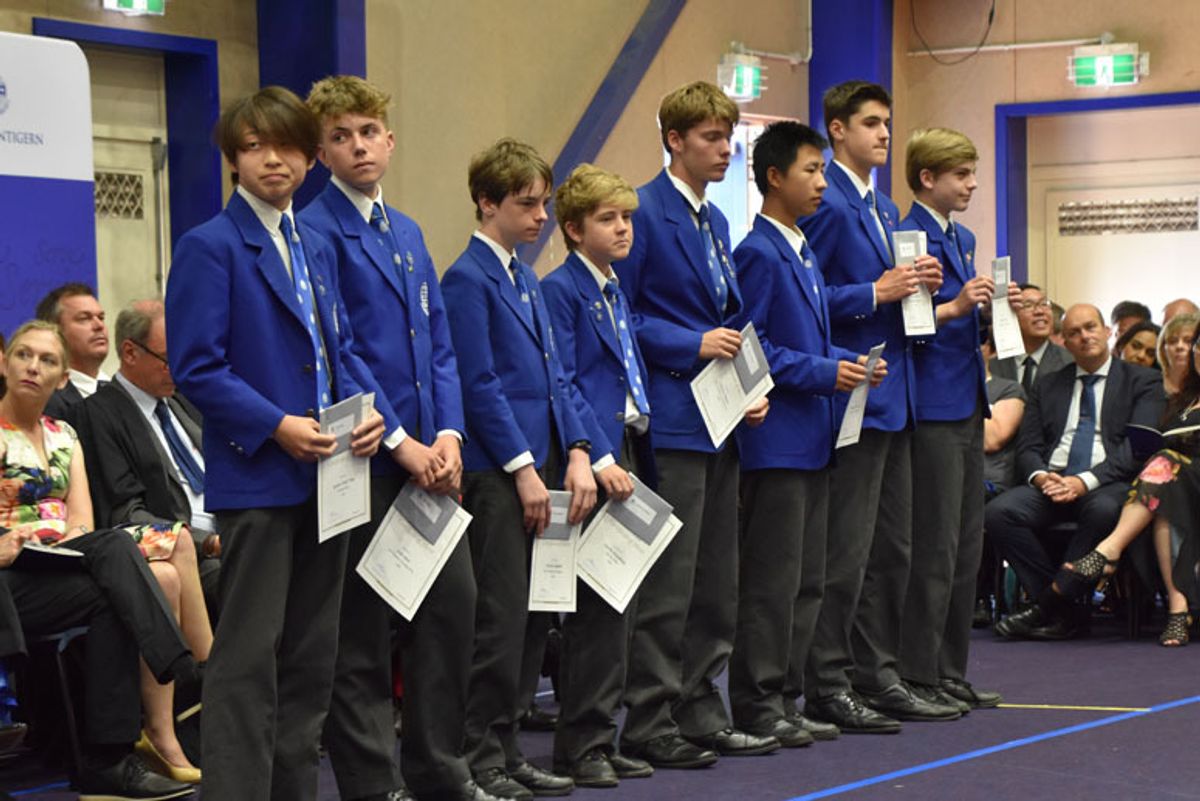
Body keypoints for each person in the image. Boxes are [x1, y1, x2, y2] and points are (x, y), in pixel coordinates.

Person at [164, 85, 389, 801]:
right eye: (255, 146)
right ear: (233, 158)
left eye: (288, 146)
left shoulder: (315, 242)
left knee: (312, 658)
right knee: (247, 658)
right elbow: (198, 368)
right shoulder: (209, 245)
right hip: (259, 475)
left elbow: (339, 349)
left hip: (332, 476)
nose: (273, 160)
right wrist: (275, 425)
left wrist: (371, 414)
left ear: (309, 158)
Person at [300, 75, 489, 801]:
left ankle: (439, 770)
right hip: (368, 461)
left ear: (390, 140)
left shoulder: (406, 230)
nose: (358, 146)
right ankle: (372, 784)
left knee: (452, 613)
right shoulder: (314, 230)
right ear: (321, 151)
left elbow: (438, 343)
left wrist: (449, 433)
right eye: (340, 136)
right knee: (363, 633)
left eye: (368, 132)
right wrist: (403, 443)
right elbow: (338, 351)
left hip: (432, 461)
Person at [611, 81, 772, 767]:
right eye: (711, 137)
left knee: (715, 581)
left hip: (719, 416)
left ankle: (701, 707)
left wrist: (750, 388)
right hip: (673, 419)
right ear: (674, 140)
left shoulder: (717, 222)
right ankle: (649, 717)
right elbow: (620, 315)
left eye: (729, 137)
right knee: (670, 583)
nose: (725, 149)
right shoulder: (642, 212)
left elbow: (731, 320)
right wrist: (692, 343)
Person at [441, 138, 596, 801]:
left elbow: (557, 378)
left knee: (536, 616)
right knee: (499, 621)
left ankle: (507, 745)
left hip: (544, 465)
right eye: (526, 204)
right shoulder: (465, 279)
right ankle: (480, 754)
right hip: (500, 472)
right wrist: (525, 469)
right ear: (486, 202)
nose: (540, 217)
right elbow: (479, 384)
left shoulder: (527, 279)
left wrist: (579, 448)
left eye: (544, 204)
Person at [797, 80, 946, 734]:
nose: (885, 134)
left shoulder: (884, 208)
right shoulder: (825, 203)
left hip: (896, 394)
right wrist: (874, 291)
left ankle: (877, 672)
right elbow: (806, 297)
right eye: (870, 123)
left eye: (888, 122)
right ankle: (828, 680)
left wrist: (919, 288)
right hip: (853, 391)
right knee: (847, 553)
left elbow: (894, 293)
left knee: (893, 550)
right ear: (837, 130)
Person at [727, 121, 879, 748]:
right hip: (777, 441)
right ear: (774, 177)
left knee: (808, 581)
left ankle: (786, 695)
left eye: (821, 170)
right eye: (811, 171)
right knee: (772, 583)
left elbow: (810, 337)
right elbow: (751, 346)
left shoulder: (802, 249)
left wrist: (847, 362)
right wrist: (824, 372)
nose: (821, 183)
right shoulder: (757, 252)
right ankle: (758, 701)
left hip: (813, 438)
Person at [0, 319, 197, 800]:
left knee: (111, 560)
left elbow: (82, 521)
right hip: (9, 572)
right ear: (5, 364)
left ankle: (108, 760)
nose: (33, 367)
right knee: (117, 564)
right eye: (24, 355)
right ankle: (183, 669)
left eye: (47, 360)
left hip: (58, 560)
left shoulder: (65, 435)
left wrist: (65, 546)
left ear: (62, 379)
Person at [540, 163, 657, 788]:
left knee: (624, 608)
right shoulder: (561, 290)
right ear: (573, 229)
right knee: (596, 611)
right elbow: (563, 382)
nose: (622, 228)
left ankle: (602, 734)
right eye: (608, 219)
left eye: (627, 218)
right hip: (596, 458)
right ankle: (580, 743)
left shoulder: (614, 287)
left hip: (631, 447)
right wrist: (600, 455)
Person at [896, 127, 1005, 712]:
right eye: (961, 174)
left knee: (966, 545)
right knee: (934, 546)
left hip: (966, 400)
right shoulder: (907, 238)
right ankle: (918, 671)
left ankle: (949, 669)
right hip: (932, 404)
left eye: (972, 172)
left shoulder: (961, 237)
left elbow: (962, 319)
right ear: (927, 177)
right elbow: (910, 324)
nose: (972, 184)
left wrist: (991, 314)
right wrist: (958, 306)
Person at [989, 305, 1166, 639]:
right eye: (1074, 332)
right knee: (999, 512)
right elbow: (1028, 447)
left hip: (1107, 482)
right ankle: (1064, 609)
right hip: (1052, 480)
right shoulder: (1048, 384)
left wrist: (1084, 481)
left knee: (1104, 509)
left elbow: (1137, 448)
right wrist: (1041, 477)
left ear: (1107, 331)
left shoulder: (1143, 381)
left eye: (1090, 327)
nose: (1084, 336)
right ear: (1064, 342)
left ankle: (1047, 606)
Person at [1039, 328, 1200, 646]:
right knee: (1163, 490)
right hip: (1177, 488)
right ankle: (1177, 610)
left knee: (1165, 469)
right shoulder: (1183, 399)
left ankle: (1107, 551)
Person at [73, 301, 221, 618]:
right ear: (130, 352)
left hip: (231, 529)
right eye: (168, 360)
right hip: (188, 552)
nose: (180, 369)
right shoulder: (98, 413)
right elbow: (125, 512)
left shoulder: (183, 401)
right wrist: (206, 542)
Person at [34, 283, 110, 421]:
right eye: (84, 318)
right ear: (55, 331)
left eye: (101, 317)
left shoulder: (120, 390)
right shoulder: (45, 400)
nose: (99, 326)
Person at [989, 284, 1071, 395]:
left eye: (1044, 304)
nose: (1039, 311)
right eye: (1028, 306)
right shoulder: (993, 365)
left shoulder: (1069, 362)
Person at [1159, 312, 1199, 397]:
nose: (1179, 346)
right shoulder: (1150, 382)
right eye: (1172, 341)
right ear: (1163, 349)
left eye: (1188, 341)